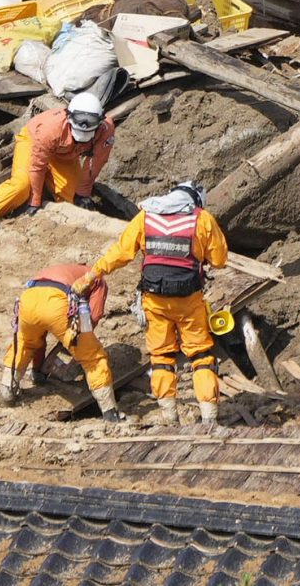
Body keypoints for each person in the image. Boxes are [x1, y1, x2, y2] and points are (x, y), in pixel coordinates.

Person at [73, 181, 228, 425]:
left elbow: (120, 253)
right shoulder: (203, 219)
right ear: (195, 200)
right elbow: (219, 260)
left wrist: (92, 275)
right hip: (189, 300)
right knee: (200, 355)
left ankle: (170, 417)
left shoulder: (146, 218)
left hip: (154, 299)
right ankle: (209, 419)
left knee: (161, 356)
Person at [0, 92, 115, 233]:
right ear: (69, 118)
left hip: (66, 154)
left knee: (73, 199)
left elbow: (95, 163)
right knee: (21, 186)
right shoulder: (50, 130)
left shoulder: (106, 130)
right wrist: (35, 201)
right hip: (33, 141)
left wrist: (83, 194)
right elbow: (37, 166)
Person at [0, 263, 122, 422]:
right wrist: (77, 340)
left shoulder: (57, 270)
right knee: (92, 357)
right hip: (56, 303)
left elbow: (39, 336)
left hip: (27, 300)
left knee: (26, 342)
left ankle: (7, 389)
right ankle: (111, 412)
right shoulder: (96, 277)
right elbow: (94, 315)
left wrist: (38, 370)